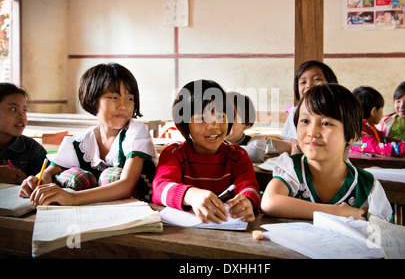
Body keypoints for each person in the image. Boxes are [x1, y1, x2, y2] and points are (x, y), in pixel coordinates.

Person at [19, 63, 158, 205]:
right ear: (93, 100)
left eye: (129, 99)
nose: (123, 106)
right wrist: (37, 181)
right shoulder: (81, 141)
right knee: (74, 176)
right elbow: (49, 173)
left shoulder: (135, 132)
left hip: (136, 209)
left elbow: (126, 186)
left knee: (111, 176)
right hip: (91, 212)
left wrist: (72, 198)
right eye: (114, 98)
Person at [261, 84, 392, 221]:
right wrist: (338, 212)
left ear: (351, 135)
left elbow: (383, 232)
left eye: (326, 123)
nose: (312, 132)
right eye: (305, 121)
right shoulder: (292, 169)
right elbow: (270, 203)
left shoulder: (366, 186)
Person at [152, 79, 260, 224]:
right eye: (202, 118)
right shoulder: (174, 154)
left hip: (228, 234)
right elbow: (160, 188)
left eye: (221, 116)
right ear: (184, 124)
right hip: (183, 235)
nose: (213, 125)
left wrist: (248, 202)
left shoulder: (237, 155)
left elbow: (250, 188)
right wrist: (190, 195)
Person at [350, 86, 405, 165]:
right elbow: (377, 147)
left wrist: (404, 144)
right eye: (382, 109)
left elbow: (383, 140)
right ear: (374, 111)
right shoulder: (358, 130)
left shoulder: (369, 127)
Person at [280, 60, 338, 154]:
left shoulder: (339, 109)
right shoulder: (296, 112)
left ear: (331, 83)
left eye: (316, 79)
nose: (309, 86)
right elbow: (296, 149)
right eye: (303, 82)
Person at [0, 83, 47, 184]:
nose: (22, 116)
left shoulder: (33, 149)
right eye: (13, 109)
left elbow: (46, 182)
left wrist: (25, 180)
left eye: (24, 110)